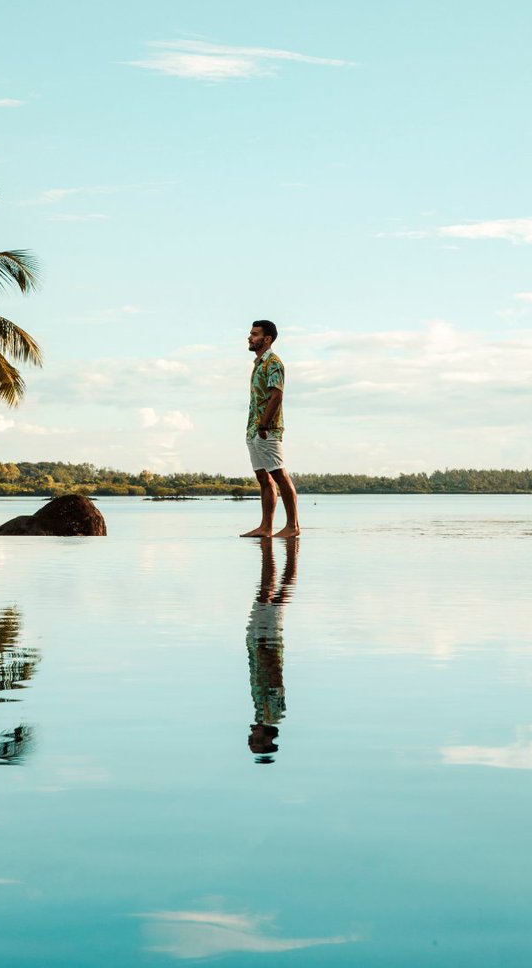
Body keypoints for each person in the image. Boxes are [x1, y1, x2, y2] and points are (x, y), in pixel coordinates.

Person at [241, 319, 301, 538]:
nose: (250, 337)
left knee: (279, 474)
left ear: (267, 339)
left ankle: (292, 526)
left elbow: (276, 395)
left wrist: (264, 425)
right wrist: (254, 428)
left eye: (255, 334)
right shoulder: (258, 363)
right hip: (254, 429)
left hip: (268, 429)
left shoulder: (273, 362)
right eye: (250, 333)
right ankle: (266, 527)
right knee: (262, 477)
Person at [246, 538, 298, 763]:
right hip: (265, 642)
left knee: (269, 596)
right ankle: (291, 557)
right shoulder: (273, 714)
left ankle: (288, 557)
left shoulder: (263, 714)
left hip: (261, 642)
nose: (250, 739)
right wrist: (266, 646)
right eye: (257, 743)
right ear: (268, 739)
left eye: (252, 743)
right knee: (271, 595)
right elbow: (276, 679)